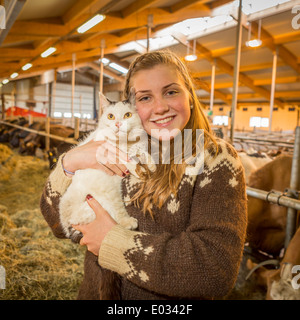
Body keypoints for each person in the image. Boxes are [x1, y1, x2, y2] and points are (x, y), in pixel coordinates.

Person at [40, 50, 247, 300]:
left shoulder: (214, 158)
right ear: (133, 107)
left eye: (171, 92)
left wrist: (113, 242)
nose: (160, 107)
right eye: (145, 97)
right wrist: (69, 163)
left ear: (190, 97)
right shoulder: (119, 149)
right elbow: (59, 227)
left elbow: (215, 271)